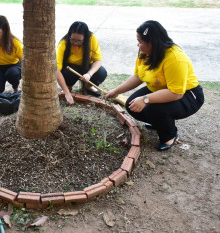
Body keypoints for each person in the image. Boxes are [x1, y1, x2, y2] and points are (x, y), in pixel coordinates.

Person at [105, 20, 204, 151]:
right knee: (132, 104)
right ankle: (159, 121)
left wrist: (146, 99)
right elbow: (138, 76)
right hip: (163, 89)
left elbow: (176, 93)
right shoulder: (146, 53)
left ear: (151, 42)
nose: (138, 45)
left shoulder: (175, 58)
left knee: (153, 108)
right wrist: (116, 91)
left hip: (188, 95)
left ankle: (170, 135)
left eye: (140, 41)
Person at [56, 21, 107, 105]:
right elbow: (57, 70)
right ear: (69, 35)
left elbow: (98, 60)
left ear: (85, 38)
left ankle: (88, 86)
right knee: (67, 72)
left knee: (101, 72)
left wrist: (89, 74)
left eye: (79, 41)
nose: (75, 43)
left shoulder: (92, 38)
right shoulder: (63, 43)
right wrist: (67, 93)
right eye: (72, 39)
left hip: (87, 67)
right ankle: (68, 87)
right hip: (71, 69)